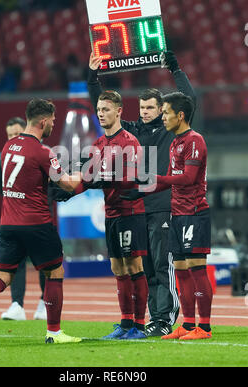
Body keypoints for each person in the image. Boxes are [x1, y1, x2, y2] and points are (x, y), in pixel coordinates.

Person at [87, 51, 196, 337]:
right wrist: (93, 78)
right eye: (142, 107)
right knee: (144, 268)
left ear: (162, 110)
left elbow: (189, 101)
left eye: (150, 107)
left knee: (162, 265)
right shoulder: (132, 130)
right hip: (135, 208)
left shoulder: (170, 131)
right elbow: (104, 110)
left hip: (162, 206)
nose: (145, 112)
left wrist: (176, 69)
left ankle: (164, 319)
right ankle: (148, 319)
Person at [0, 98, 82, 345]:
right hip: (36, 222)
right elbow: (67, 184)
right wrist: (86, 178)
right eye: (53, 121)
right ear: (44, 121)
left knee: (2, 276)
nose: (53, 125)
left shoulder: (8, 148)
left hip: (8, 224)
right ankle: (54, 332)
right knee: (55, 272)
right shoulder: (43, 151)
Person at [122, 92, 213, 340]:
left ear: (180, 115)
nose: (163, 118)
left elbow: (188, 179)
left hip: (194, 213)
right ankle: (187, 324)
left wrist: (154, 179)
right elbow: (168, 183)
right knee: (181, 270)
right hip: (177, 213)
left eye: (166, 113)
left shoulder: (195, 140)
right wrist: (139, 192)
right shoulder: (175, 142)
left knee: (197, 269)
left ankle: (204, 328)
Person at [71, 90, 149, 340]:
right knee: (117, 267)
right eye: (99, 110)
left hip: (130, 212)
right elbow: (87, 179)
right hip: (111, 213)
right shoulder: (97, 145)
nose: (101, 114)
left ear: (119, 111)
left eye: (105, 109)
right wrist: (68, 191)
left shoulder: (130, 141)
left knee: (134, 264)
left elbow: (131, 179)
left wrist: (100, 179)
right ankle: (125, 323)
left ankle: (140, 324)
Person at [0, 116, 48, 321]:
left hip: (38, 216)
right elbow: (0, 187)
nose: (14, 138)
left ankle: (44, 303)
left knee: (45, 263)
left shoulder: (40, 152)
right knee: (17, 263)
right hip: (16, 217)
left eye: (17, 133)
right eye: (10, 135)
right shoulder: (2, 157)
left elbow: (51, 185)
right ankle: (17, 304)